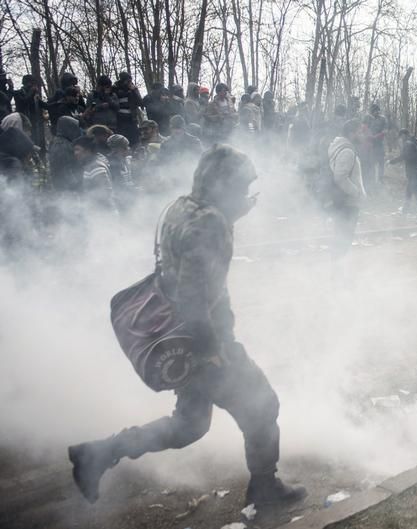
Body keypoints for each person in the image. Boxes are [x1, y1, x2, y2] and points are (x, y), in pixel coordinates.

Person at [67, 144, 307, 507]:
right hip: (205, 341)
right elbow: (194, 297)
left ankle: (98, 454)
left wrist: (232, 214)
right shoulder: (211, 222)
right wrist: (212, 353)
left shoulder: (182, 206)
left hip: (181, 336)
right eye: (240, 187)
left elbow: (185, 262)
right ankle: (265, 488)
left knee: (189, 426)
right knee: (262, 407)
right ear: (223, 185)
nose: (245, 194)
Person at [328, 120, 367, 263]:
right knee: (343, 239)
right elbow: (340, 177)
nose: (362, 135)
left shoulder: (343, 148)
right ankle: (337, 275)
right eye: (360, 132)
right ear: (351, 133)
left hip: (344, 201)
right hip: (348, 203)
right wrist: (357, 192)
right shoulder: (347, 151)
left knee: (341, 237)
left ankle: (337, 272)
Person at [73, 135, 115, 211]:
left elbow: (104, 192)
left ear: (87, 150)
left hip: (102, 213)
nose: (75, 153)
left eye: (77, 149)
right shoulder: (90, 165)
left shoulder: (95, 167)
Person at [389, 128, 417, 216]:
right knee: (409, 192)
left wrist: (391, 162)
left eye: (401, 137)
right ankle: (405, 212)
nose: (401, 140)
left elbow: (403, 156)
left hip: (413, 172)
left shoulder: (408, 143)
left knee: (416, 193)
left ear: (404, 135)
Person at [48, 116, 83, 192]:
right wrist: (77, 186)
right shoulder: (62, 145)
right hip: (66, 188)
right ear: (69, 128)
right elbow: (65, 169)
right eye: (74, 128)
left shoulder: (60, 142)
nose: (77, 131)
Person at [13, 74, 46, 153]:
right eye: (32, 84)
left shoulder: (34, 96)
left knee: (37, 144)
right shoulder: (18, 93)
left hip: (35, 125)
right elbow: (24, 103)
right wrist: (31, 93)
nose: (33, 87)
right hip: (24, 125)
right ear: (26, 83)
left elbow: (45, 105)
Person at [114, 72, 144, 147]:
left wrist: (134, 91)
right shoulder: (115, 89)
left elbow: (140, 102)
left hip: (132, 118)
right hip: (120, 119)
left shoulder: (133, 89)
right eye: (127, 81)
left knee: (135, 139)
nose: (128, 82)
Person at [363, 103, 388, 187]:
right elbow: (363, 128)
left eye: (377, 110)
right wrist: (368, 136)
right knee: (371, 163)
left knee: (381, 162)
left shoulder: (383, 119)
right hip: (370, 144)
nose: (376, 112)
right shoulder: (367, 118)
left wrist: (376, 136)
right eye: (374, 111)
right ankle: (372, 181)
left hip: (379, 143)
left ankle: (380, 179)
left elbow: (385, 131)